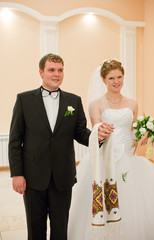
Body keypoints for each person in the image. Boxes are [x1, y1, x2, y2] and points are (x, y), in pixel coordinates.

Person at [8, 53, 110, 240]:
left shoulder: (73, 101)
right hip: (33, 176)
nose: (57, 74)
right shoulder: (24, 100)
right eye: (51, 70)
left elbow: (80, 133)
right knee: (35, 229)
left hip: (62, 176)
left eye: (60, 70)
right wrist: (17, 173)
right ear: (41, 72)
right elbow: (15, 140)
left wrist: (98, 136)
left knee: (60, 229)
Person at [68, 59, 154, 240]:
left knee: (134, 202)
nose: (116, 81)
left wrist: (144, 134)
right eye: (111, 78)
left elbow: (132, 130)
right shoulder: (96, 104)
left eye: (119, 77)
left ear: (123, 77)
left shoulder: (132, 103)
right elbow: (96, 133)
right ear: (103, 80)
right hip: (106, 158)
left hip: (129, 159)